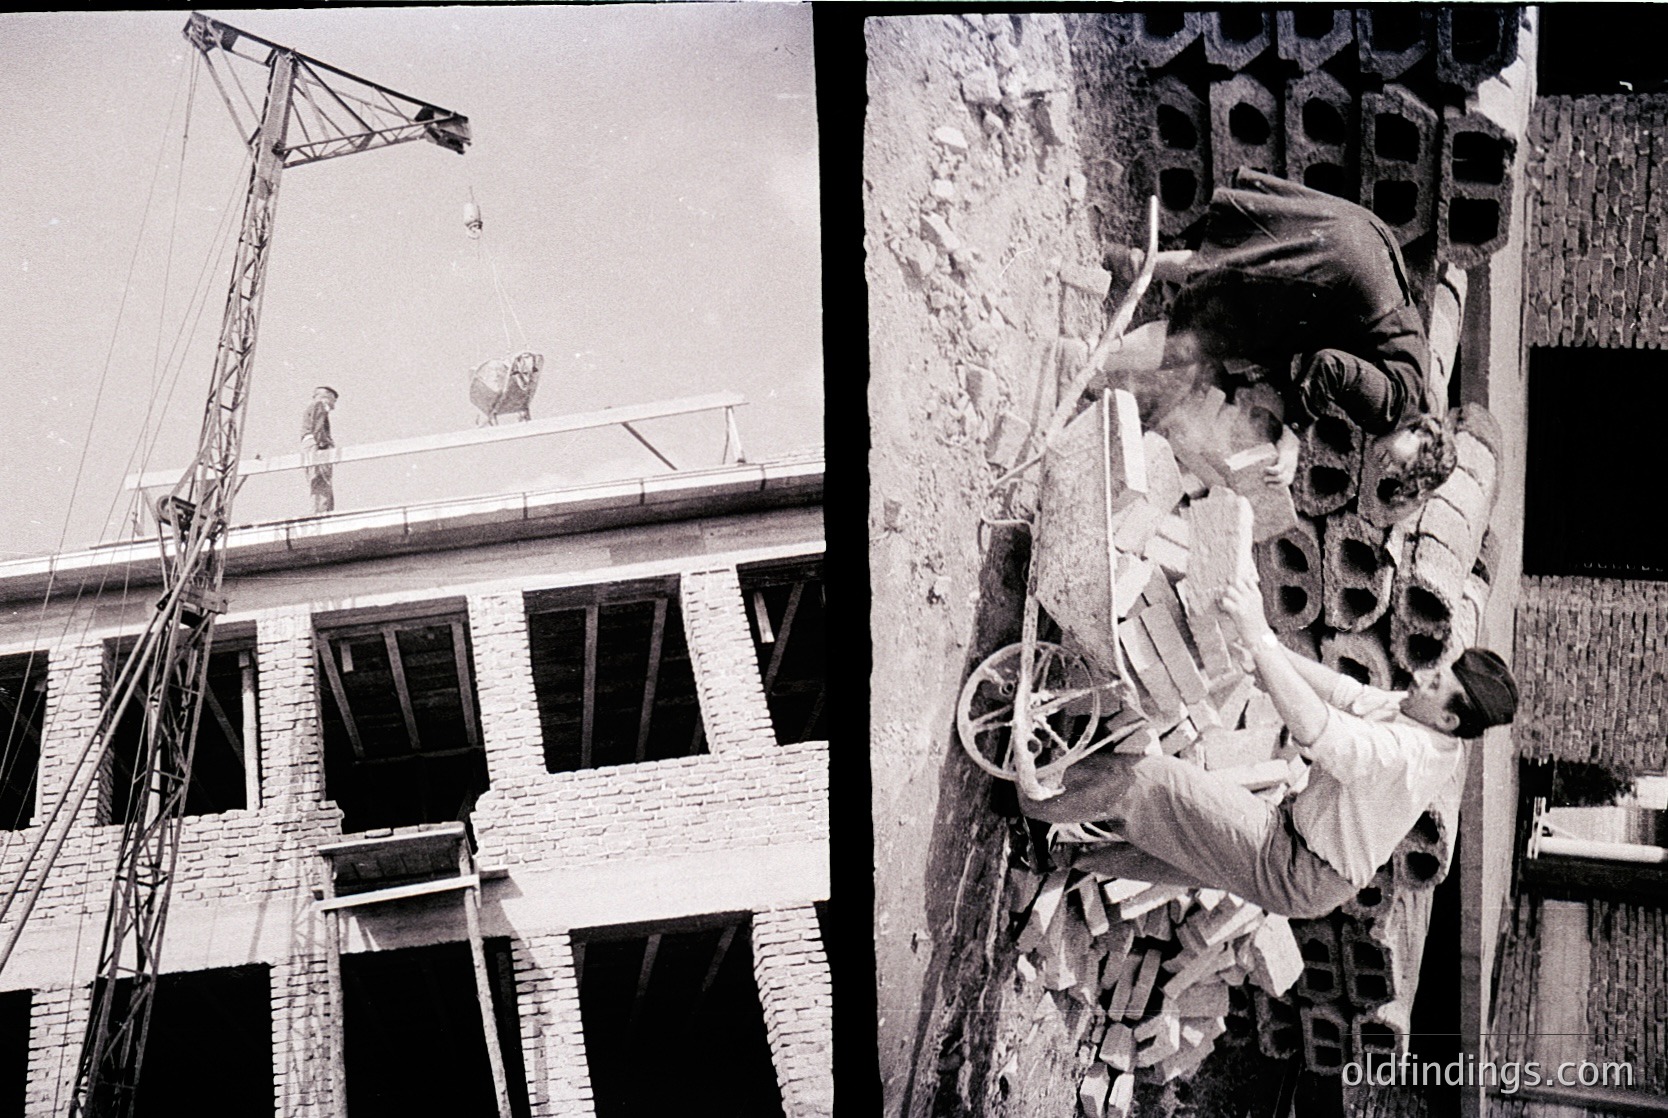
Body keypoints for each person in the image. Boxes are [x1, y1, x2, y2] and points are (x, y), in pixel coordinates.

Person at [1021, 566, 1519, 919]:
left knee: (1150, 781)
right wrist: (1262, 656)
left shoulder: (1409, 755)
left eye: (1439, 685)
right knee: (1176, 852)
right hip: (1300, 841)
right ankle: (1054, 855)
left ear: (1451, 720)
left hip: (1303, 870)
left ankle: (1029, 797)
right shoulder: (1419, 714)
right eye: (1439, 672)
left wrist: (1259, 634)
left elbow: (1317, 731)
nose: (1426, 676)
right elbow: (1344, 693)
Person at [1097, 168, 1458, 509]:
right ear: (1421, 436)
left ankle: (1130, 261)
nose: (1388, 468)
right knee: (1203, 335)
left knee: (1235, 270)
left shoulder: (1416, 389)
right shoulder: (1391, 410)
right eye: (1403, 467)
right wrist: (1294, 438)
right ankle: (1095, 359)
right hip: (1340, 272)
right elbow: (1330, 366)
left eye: (1397, 477)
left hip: (1359, 241)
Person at [301, 386, 338, 515]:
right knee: (321, 479)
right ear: (327, 397)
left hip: (312, 444)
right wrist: (322, 444)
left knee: (318, 480)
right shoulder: (319, 405)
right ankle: (321, 512)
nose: (334, 403)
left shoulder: (315, 407)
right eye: (334, 399)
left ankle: (321, 510)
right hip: (316, 445)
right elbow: (318, 426)